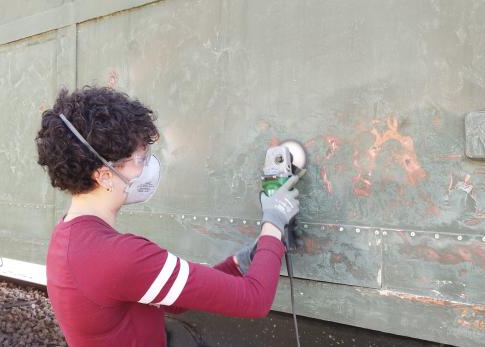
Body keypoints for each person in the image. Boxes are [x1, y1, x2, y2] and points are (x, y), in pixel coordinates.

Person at [35, 86, 301, 346]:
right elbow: (254, 300)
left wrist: (241, 262)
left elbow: (174, 301)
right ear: (104, 174)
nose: (147, 168)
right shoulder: (119, 256)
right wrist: (274, 219)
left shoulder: (68, 235)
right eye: (140, 159)